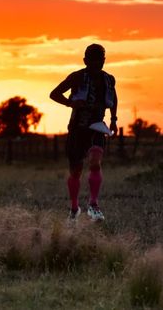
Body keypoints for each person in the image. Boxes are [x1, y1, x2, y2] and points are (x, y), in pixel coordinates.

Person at [50, 44, 118, 222]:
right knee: (76, 171)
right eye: (92, 60)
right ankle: (74, 208)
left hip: (97, 127)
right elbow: (54, 93)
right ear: (85, 61)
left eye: (100, 60)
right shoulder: (77, 77)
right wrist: (70, 103)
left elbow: (114, 98)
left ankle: (93, 205)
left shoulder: (109, 79)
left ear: (104, 61)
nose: (97, 64)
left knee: (95, 163)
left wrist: (113, 119)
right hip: (77, 128)